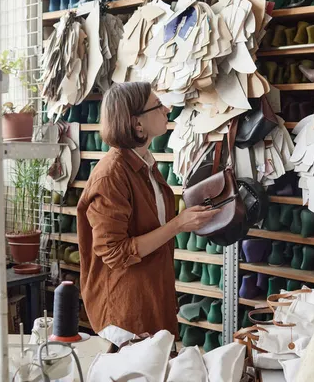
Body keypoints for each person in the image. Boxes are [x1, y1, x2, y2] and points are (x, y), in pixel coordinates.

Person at [77, 82, 220, 347]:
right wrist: (178, 224)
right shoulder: (111, 176)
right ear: (137, 124)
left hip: (152, 298)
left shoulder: (145, 164)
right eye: (157, 105)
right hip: (126, 313)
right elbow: (116, 253)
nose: (166, 109)